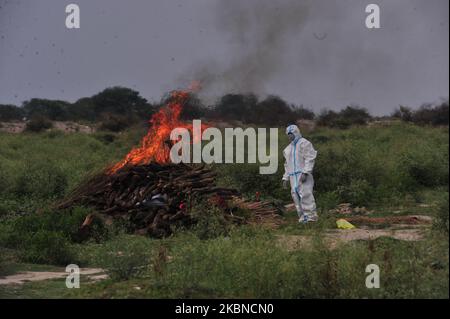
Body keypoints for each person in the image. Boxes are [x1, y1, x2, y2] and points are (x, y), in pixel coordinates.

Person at [282, 124, 318, 223]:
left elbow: (310, 158)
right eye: (288, 134)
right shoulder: (288, 149)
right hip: (293, 176)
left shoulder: (304, 143)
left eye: (291, 133)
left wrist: (306, 172)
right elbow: (287, 164)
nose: (290, 136)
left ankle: (311, 218)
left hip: (302, 174)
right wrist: (286, 177)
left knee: (305, 195)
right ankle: (302, 218)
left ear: (296, 132)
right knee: (295, 196)